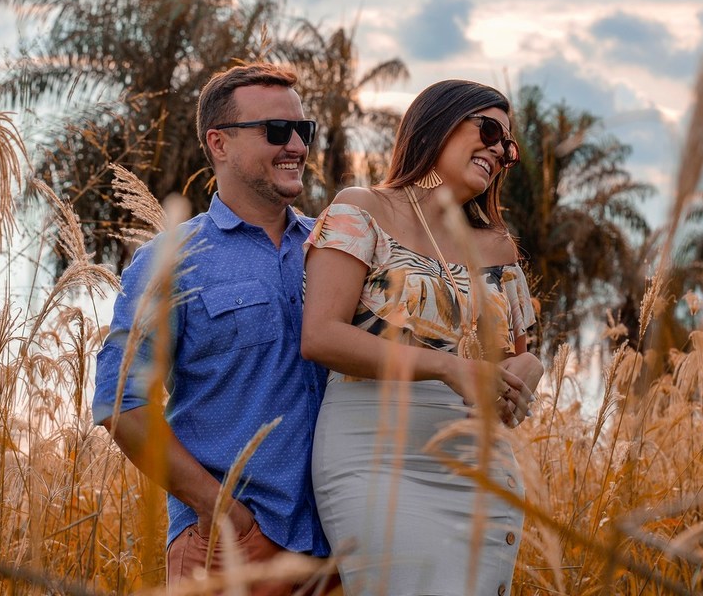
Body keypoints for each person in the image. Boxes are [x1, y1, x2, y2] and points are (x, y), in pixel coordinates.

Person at [92, 63, 332, 593]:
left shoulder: (336, 248)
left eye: (303, 130)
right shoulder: (171, 261)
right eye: (276, 131)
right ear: (219, 143)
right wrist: (219, 510)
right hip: (230, 549)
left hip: (344, 547)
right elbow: (121, 404)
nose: (296, 144)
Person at [301, 79, 544, 595]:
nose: (500, 150)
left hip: (477, 459)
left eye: (508, 146)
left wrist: (527, 373)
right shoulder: (362, 208)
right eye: (489, 129)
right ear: (437, 121)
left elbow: (517, 357)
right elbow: (320, 336)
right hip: (376, 455)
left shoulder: (498, 245)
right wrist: (448, 367)